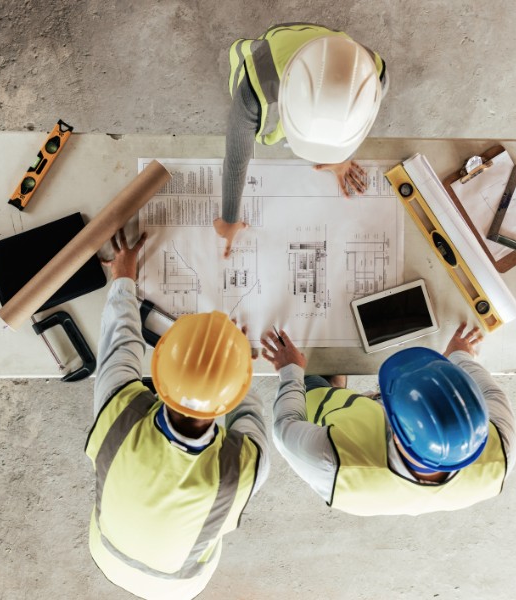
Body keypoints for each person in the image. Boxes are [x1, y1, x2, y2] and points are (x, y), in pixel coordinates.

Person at [86, 228, 269, 599]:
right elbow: (245, 409)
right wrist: (233, 364)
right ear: (229, 396)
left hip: (106, 549)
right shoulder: (241, 468)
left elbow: (120, 339)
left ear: (159, 368)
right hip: (178, 585)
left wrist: (124, 275)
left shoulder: (118, 410)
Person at [262, 323, 516, 516]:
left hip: (340, 429)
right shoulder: (502, 449)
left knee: (315, 385)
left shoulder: (332, 462)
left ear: (393, 428)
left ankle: (332, 388)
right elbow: (492, 393)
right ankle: (337, 386)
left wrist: (290, 370)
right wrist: (459, 356)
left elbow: (285, 425)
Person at [214, 23, 389, 257]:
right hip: (278, 47)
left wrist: (342, 158)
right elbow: (236, 159)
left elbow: (356, 121)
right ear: (283, 101)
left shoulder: (372, 75)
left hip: (327, 49)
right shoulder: (257, 84)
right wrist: (229, 217)